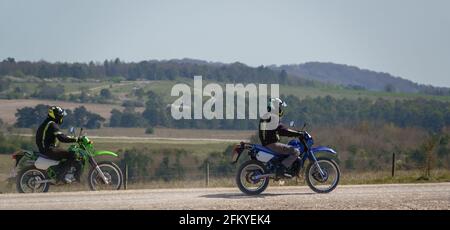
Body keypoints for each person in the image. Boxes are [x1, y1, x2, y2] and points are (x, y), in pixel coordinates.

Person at [259, 98, 304, 177]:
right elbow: (283, 130)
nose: (280, 108)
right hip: (272, 144)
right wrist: (298, 134)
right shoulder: (273, 117)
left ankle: (281, 167)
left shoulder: (266, 116)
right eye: (279, 106)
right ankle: (281, 169)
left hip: (267, 143)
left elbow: (280, 129)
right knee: (296, 152)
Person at [35, 106, 80, 183]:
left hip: (45, 148)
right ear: (56, 115)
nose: (62, 117)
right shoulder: (52, 125)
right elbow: (62, 138)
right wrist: (76, 139)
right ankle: (62, 176)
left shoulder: (48, 123)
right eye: (60, 115)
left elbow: (61, 136)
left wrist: (73, 138)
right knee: (72, 155)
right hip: (48, 149)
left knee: (64, 154)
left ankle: (60, 172)